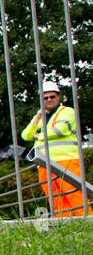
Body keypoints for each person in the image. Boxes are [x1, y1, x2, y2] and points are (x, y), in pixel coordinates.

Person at [22, 80, 89, 217]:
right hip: (44, 163)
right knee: (55, 199)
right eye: (45, 97)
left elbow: (58, 131)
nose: (49, 100)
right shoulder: (41, 117)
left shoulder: (67, 112)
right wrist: (37, 118)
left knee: (75, 195)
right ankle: (65, 226)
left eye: (52, 96)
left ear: (59, 97)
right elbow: (25, 135)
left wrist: (37, 136)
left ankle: (87, 223)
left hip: (66, 161)